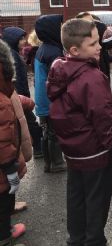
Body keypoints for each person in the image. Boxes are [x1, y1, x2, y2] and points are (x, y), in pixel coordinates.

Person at [47, 18, 112, 246]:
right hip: (95, 152)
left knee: (77, 199)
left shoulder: (60, 71)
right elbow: (104, 117)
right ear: (75, 50)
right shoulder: (91, 77)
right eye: (93, 44)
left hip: (74, 152)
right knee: (96, 200)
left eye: (99, 41)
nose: (99, 47)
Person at [0, 39, 32, 246]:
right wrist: (10, 168)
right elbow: (2, 141)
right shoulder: (1, 102)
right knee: (2, 211)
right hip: (2, 171)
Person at [1, 27, 43, 159]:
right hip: (19, 97)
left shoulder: (14, 53)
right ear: (13, 40)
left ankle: (36, 148)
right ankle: (37, 148)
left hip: (20, 96)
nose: (24, 41)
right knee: (30, 123)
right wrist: (23, 97)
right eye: (20, 39)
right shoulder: (12, 55)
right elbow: (16, 80)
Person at [34, 14, 66, 172]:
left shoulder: (43, 48)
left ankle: (48, 163)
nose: (61, 30)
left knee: (47, 131)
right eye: (59, 27)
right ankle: (57, 163)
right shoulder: (54, 51)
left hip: (43, 99)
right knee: (55, 132)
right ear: (51, 30)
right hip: (51, 100)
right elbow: (58, 80)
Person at [75, 12, 112, 79]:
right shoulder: (82, 44)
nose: (93, 24)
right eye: (89, 23)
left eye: (93, 21)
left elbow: (104, 45)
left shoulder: (96, 42)